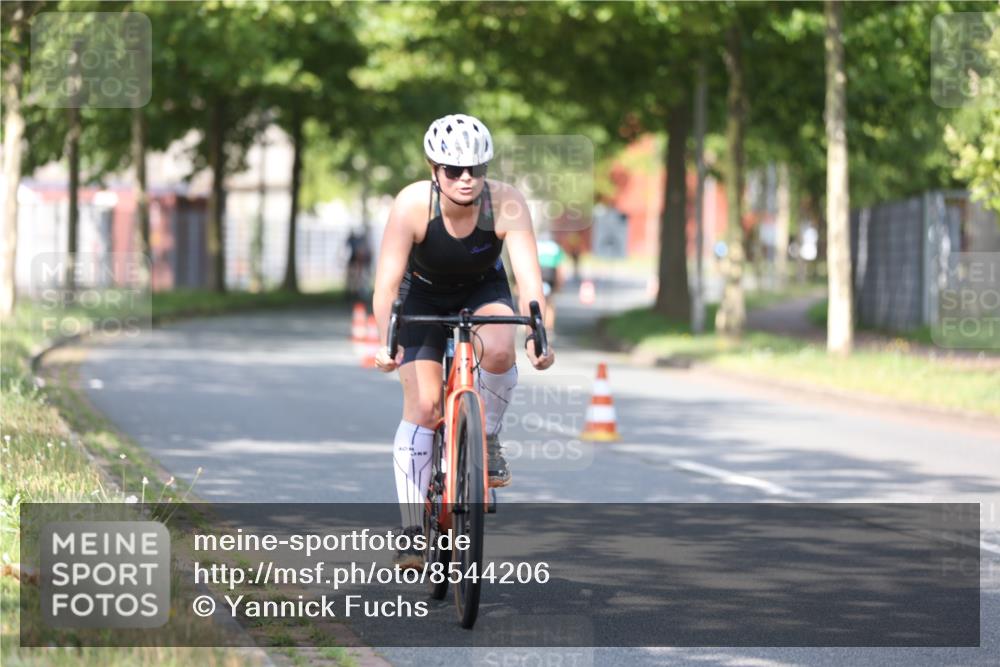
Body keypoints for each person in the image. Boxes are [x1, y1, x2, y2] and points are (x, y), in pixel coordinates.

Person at [371, 114, 555, 568]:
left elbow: (530, 281)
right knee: (426, 407)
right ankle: (414, 529)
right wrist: (386, 341)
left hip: (482, 290)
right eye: (454, 170)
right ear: (435, 169)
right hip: (422, 297)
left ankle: (486, 438)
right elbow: (386, 284)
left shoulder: (506, 203)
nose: (466, 179)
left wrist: (539, 333)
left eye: (476, 169)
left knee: (498, 347)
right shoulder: (413, 205)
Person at [536, 235, 566, 335]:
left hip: (537, 273)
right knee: (549, 303)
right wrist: (559, 284)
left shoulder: (535, 244)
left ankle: (528, 326)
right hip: (550, 274)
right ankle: (549, 328)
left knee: (531, 300)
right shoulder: (555, 247)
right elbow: (560, 268)